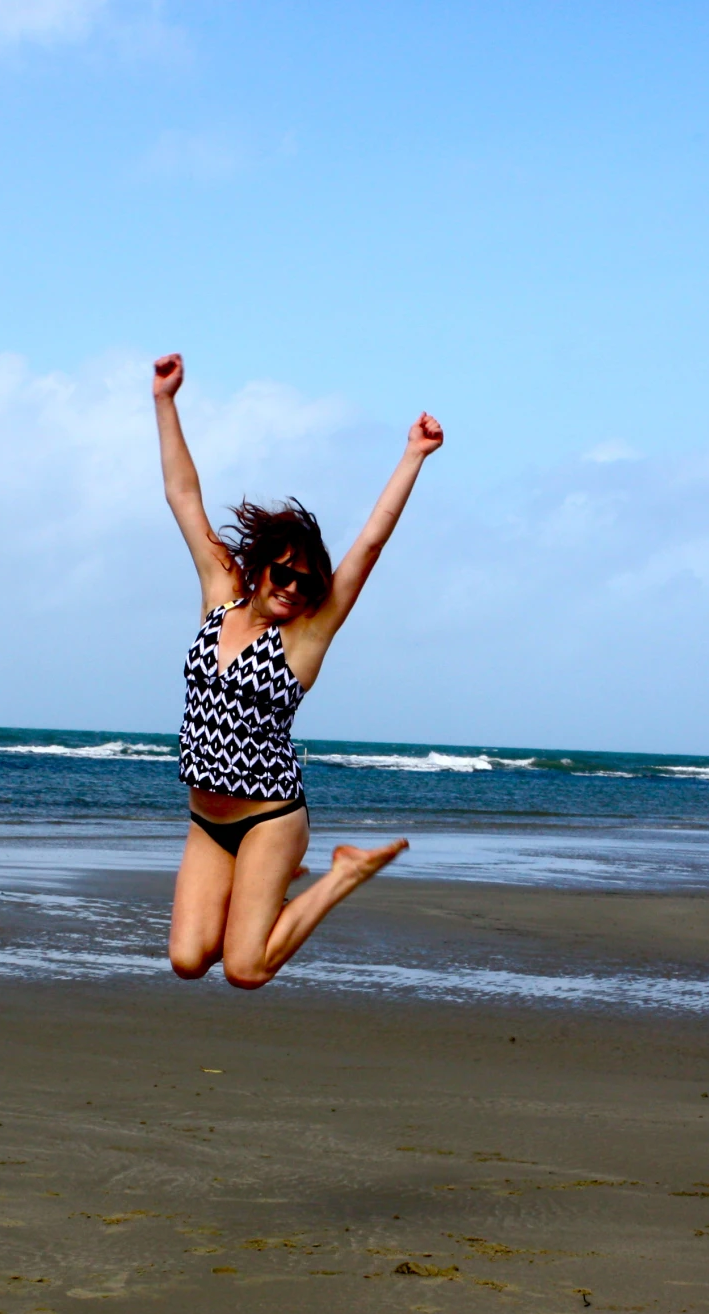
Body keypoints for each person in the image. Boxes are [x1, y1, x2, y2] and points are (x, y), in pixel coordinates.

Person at [153, 351, 443, 987]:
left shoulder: (303, 639)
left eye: (305, 583)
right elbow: (182, 495)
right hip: (206, 818)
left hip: (269, 813)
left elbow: (371, 541)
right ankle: (266, 887)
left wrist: (412, 457)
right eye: (282, 574)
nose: (291, 588)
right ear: (258, 569)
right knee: (187, 960)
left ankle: (341, 873)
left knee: (247, 969)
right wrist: (165, 401)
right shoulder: (218, 593)